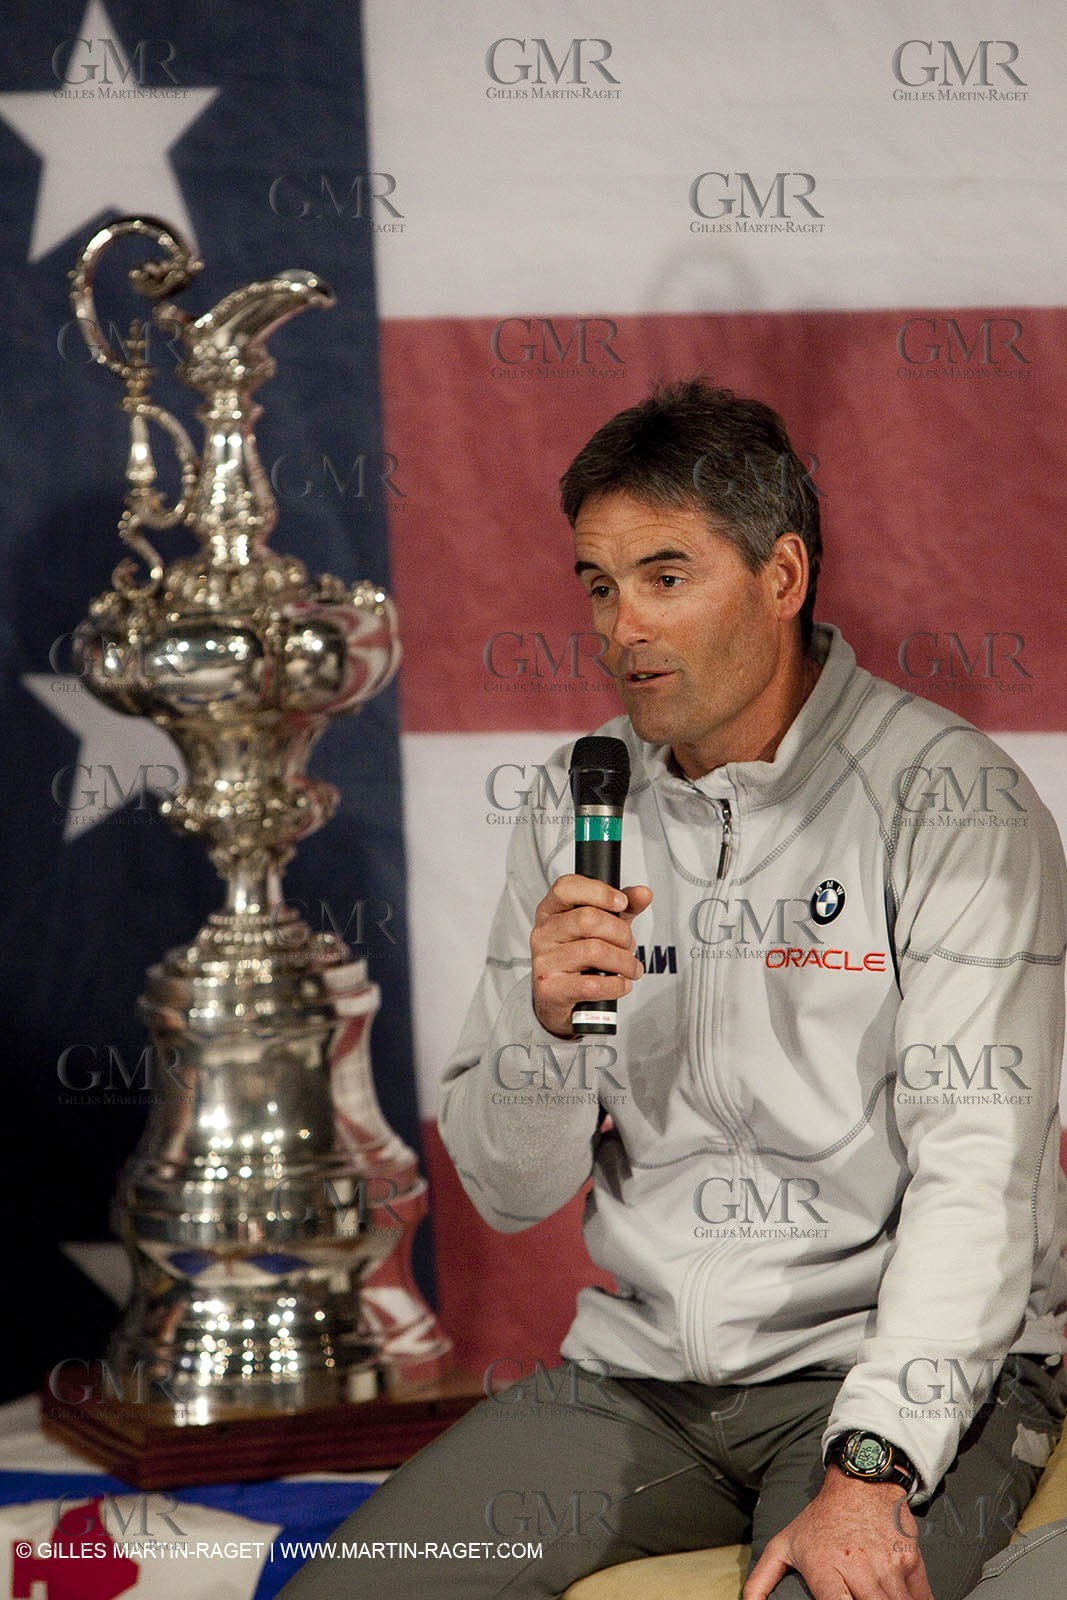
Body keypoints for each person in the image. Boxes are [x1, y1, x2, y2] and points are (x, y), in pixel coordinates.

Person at [280, 381, 1067, 1600]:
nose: (619, 628)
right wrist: (546, 1035)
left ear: (783, 574)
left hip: (887, 1378)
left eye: (663, 575)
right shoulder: (571, 800)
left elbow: (982, 1174)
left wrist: (868, 1469)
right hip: (642, 1380)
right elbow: (504, 1188)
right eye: (596, 584)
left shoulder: (949, 801)